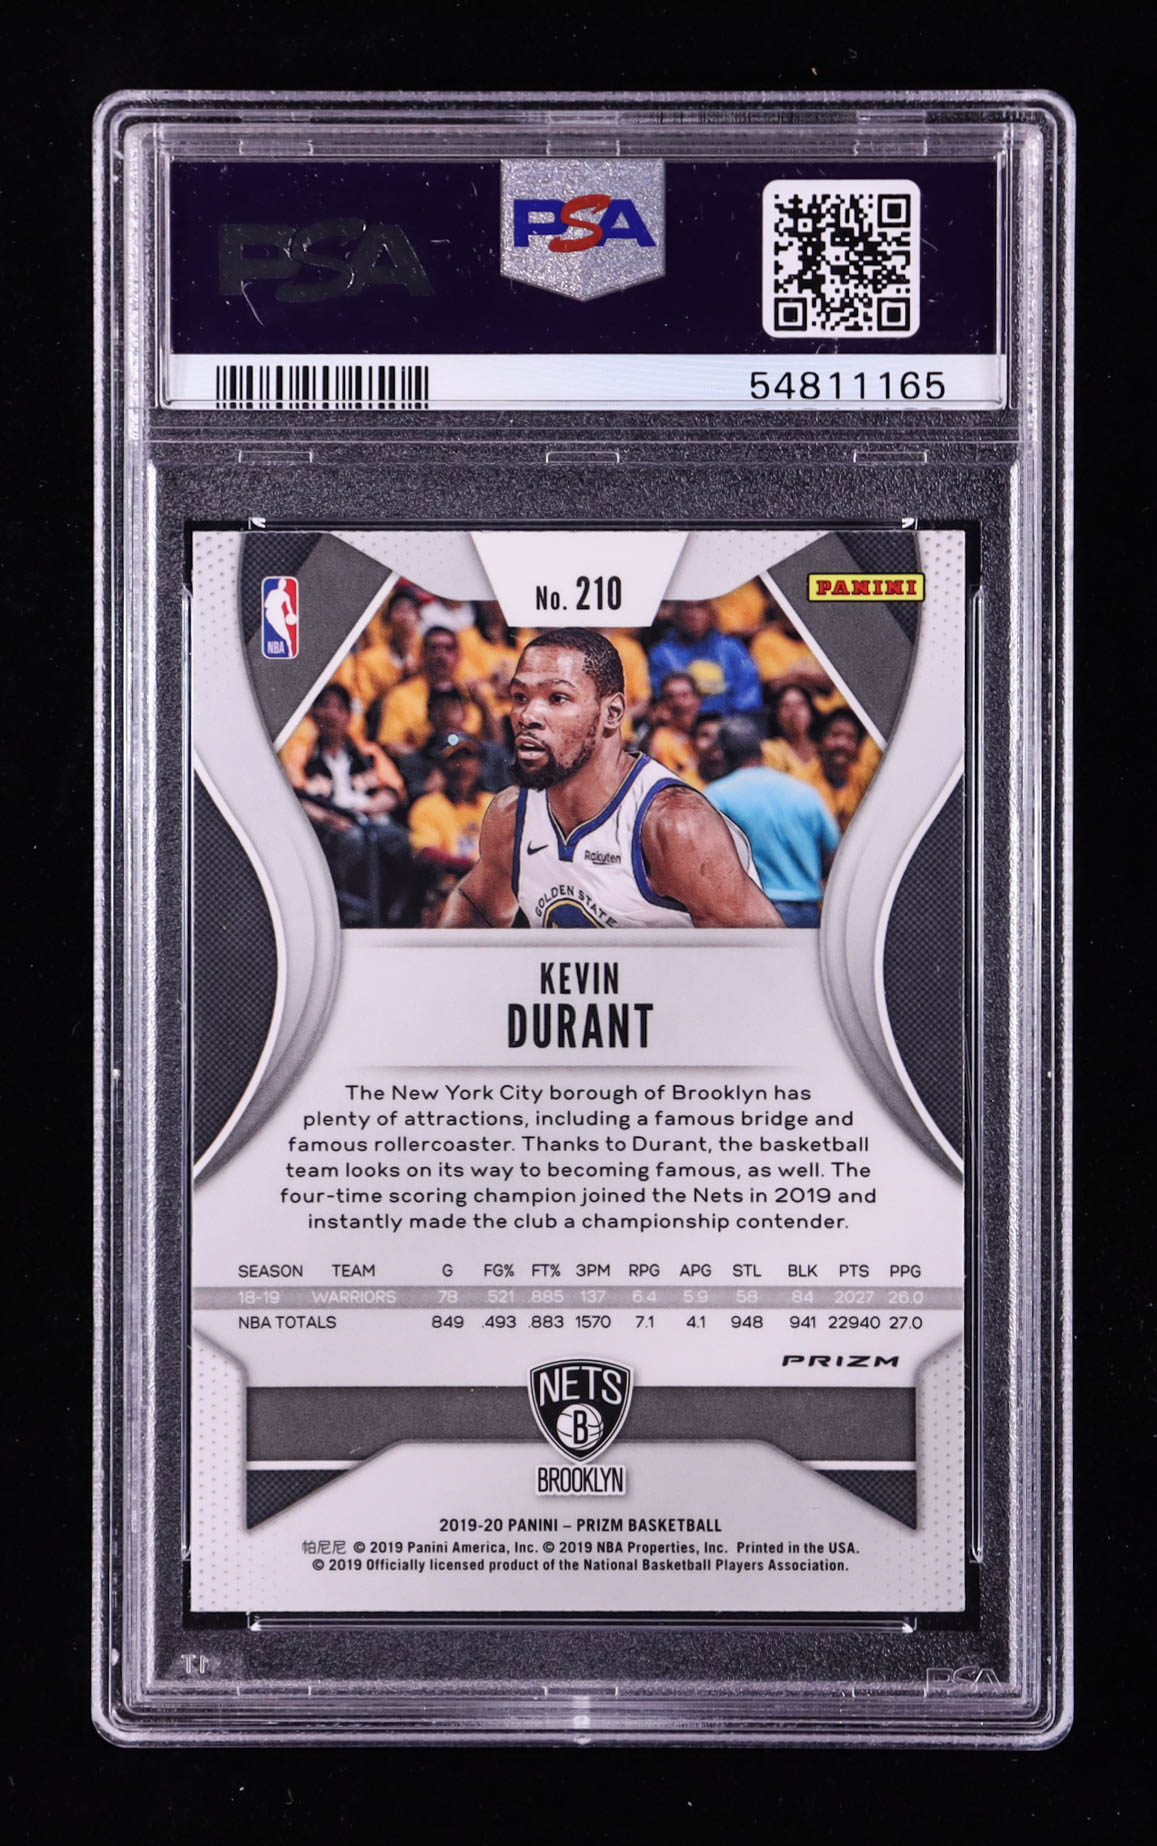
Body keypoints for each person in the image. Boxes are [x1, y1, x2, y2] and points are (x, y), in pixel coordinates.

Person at [438, 628, 782, 928]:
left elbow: (768, 957)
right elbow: (477, 906)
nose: (527, 715)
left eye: (557, 698)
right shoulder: (513, 815)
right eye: (520, 697)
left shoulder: (674, 825)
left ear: (613, 713)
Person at [284, 682, 413, 926]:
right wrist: (329, 818)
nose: (331, 714)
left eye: (339, 708)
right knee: (354, 840)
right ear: (314, 715)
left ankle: (396, 913)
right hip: (331, 825)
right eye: (324, 706)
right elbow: (297, 799)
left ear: (348, 716)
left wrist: (368, 809)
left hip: (370, 819)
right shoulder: (301, 754)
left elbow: (393, 791)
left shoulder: (368, 753)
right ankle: (355, 913)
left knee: (401, 841)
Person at [704, 716, 840, 929]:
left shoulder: (716, 795)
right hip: (808, 911)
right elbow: (833, 853)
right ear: (761, 751)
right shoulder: (805, 792)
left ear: (722, 753)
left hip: (754, 911)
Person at [376, 627, 493, 754]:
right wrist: (431, 758)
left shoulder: (472, 691)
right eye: (433, 648)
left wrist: (484, 708)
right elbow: (390, 744)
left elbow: (495, 743)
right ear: (422, 654)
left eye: (448, 648)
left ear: (459, 656)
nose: (441, 656)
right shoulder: (401, 696)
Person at [647, 600, 763, 715]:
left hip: (732, 720)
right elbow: (662, 701)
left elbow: (748, 695)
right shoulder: (662, 653)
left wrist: (726, 721)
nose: (693, 614)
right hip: (683, 721)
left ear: (711, 611)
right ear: (676, 613)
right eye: (686, 607)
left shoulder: (732, 648)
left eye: (700, 606)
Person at [408, 734, 494, 871]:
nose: (462, 766)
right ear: (441, 768)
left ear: (479, 764)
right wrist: (472, 866)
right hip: (452, 880)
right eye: (453, 759)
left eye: (468, 757)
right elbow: (426, 851)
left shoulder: (494, 804)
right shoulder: (427, 806)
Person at [798, 707, 877, 831]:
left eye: (851, 737)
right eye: (835, 735)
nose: (842, 743)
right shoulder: (801, 781)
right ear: (821, 741)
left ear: (858, 748)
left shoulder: (865, 780)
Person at [646, 672, 704, 787]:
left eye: (684, 695)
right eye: (670, 696)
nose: (678, 702)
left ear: (698, 699)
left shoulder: (710, 735)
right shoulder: (661, 740)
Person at [763, 683, 822, 774]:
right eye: (786, 706)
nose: (794, 712)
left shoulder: (823, 750)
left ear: (812, 712)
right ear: (777, 716)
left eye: (800, 704)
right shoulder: (769, 750)